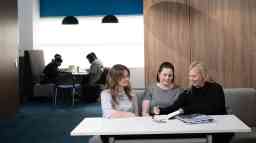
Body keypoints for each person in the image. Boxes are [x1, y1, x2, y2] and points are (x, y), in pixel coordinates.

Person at [154, 61, 233, 143]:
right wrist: (160, 110)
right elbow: (175, 107)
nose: (191, 79)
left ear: (202, 76)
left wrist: (187, 109)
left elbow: (215, 109)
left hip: (219, 127)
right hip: (199, 129)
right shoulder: (188, 92)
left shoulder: (216, 88)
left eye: (194, 76)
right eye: (190, 76)